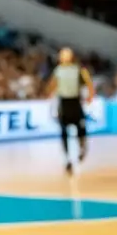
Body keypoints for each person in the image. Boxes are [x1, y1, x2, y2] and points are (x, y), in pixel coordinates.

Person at [46, 47, 95, 175]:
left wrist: (90, 96)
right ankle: (67, 158)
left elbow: (89, 84)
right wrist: (50, 95)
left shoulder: (78, 70)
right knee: (63, 131)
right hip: (64, 103)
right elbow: (52, 85)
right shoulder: (58, 71)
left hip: (75, 101)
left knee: (81, 128)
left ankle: (82, 148)